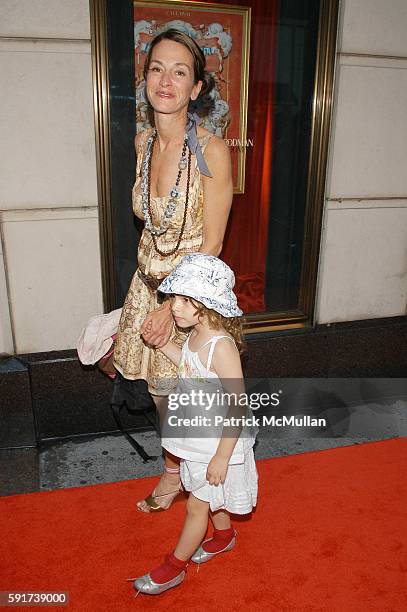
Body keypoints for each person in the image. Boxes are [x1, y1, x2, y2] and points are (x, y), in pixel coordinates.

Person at [112, 28, 233, 512]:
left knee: (189, 395)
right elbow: (149, 225)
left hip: (188, 298)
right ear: (145, 79)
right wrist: (149, 294)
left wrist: (170, 305)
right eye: (157, 68)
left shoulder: (214, 151)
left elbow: (214, 243)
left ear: (196, 88)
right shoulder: (143, 143)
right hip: (145, 285)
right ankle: (175, 468)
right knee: (161, 395)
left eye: (180, 72)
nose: (166, 80)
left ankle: (201, 476)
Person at [131, 253, 258, 595]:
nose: (175, 307)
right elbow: (189, 363)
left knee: (197, 503)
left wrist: (221, 456)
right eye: (175, 298)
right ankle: (224, 536)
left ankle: (173, 568)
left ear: (209, 305)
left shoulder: (222, 346)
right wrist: (163, 344)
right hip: (197, 434)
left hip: (219, 439)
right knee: (206, 491)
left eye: (187, 300)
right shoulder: (196, 334)